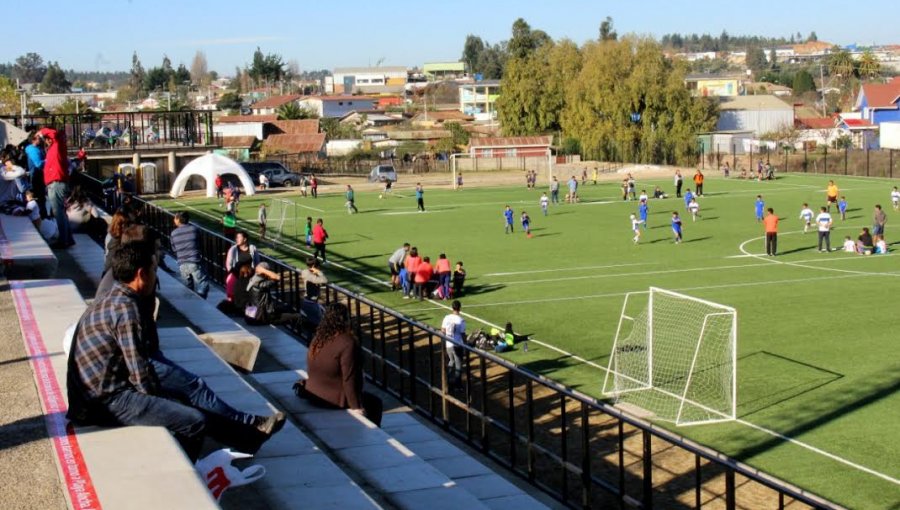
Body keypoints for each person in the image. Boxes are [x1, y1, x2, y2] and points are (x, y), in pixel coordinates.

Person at [66, 241, 285, 461]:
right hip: (104, 404)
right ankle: (189, 476)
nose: (155, 276)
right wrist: (165, 403)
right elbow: (140, 372)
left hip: (92, 397)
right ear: (141, 274)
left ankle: (247, 436)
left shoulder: (113, 297)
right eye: (154, 270)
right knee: (193, 420)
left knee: (184, 397)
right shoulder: (126, 308)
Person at [297, 303, 383, 426]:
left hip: (312, 392)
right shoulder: (347, 342)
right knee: (375, 403)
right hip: (333, 397)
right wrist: (356, 406)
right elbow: (349, 378)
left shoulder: (318, 338)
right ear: (345, 320)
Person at [39, 127, 74, 248]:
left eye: (48, 139)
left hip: (56, 182)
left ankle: (63, 240)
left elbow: (54, 133)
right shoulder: (56, 148)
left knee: (58, 212)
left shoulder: (57, 145)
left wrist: (42, 131)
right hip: (57, 182)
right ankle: (67, 238)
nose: (46, 141)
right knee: (61, 212)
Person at [171, 212, 209, 299]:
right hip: (194, 261)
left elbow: (174, 249)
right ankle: (201, 298)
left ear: (178, 220)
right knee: (203, 283)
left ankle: (192, 302)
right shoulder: (194, 229)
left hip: (182, 263)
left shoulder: (173, 233)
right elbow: (200, 244)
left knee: (188, 288)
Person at [225, 231, 260, 308]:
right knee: (232, 294)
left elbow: (257, 263)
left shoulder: (252, 248)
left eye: (239, 237)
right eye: (236, 237)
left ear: (245, 239)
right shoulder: (233, 249)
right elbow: (228, 265)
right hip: (236, 276)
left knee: (249, 295)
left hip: (249, 276)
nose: (237, 239)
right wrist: (236, 274)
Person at [441, 300, 466, 391]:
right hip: (457, 344)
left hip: (448, 344)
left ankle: (446, 381)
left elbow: (443, 330)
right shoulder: (461, 320)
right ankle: (457, 385)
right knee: (458, 365)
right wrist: (465, 344)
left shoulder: (446, 317)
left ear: (452, 307)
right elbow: (463, 334)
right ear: (459, 308)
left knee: (451, 361)